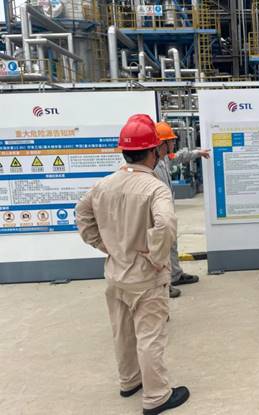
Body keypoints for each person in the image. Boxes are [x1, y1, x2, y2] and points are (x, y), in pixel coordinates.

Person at [76, 114, 189, 415]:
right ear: (153, 151)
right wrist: (157, 258)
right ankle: (156, 396)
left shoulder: (104, 184)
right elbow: (165, 224)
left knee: (123, 332)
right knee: (150, 336)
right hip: (145, 277)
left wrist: (105, 246)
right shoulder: (155, 188)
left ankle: (129, 381)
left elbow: (82, 215)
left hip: (116, 272)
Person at [153, 121, 210, 299]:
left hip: (167, 211)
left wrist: (197, 153)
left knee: (171, 243)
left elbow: (178, 157)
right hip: (157, 214)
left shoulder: (163, 159)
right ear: (162, 143)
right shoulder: (152, 165)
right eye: (171, 140)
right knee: (161, 248)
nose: (174, 143)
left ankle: (175, 275)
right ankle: (163, 284)